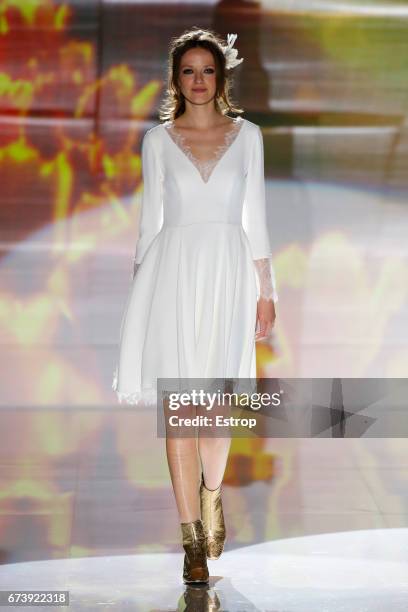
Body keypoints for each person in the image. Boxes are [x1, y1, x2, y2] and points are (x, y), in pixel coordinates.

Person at [112, 27, 278, 584]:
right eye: (189, 71)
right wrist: (139, 296)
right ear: (175, 79)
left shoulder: (249, 136)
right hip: (173, 277)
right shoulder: (157, 142)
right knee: (180, 413)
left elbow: (255, 217)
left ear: (221, 76)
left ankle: (212, 496)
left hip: (229, 277)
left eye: (208, 70)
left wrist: (267, 293)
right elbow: (149, 226)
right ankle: (191, 541)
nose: (199, 80)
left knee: (215, 412)